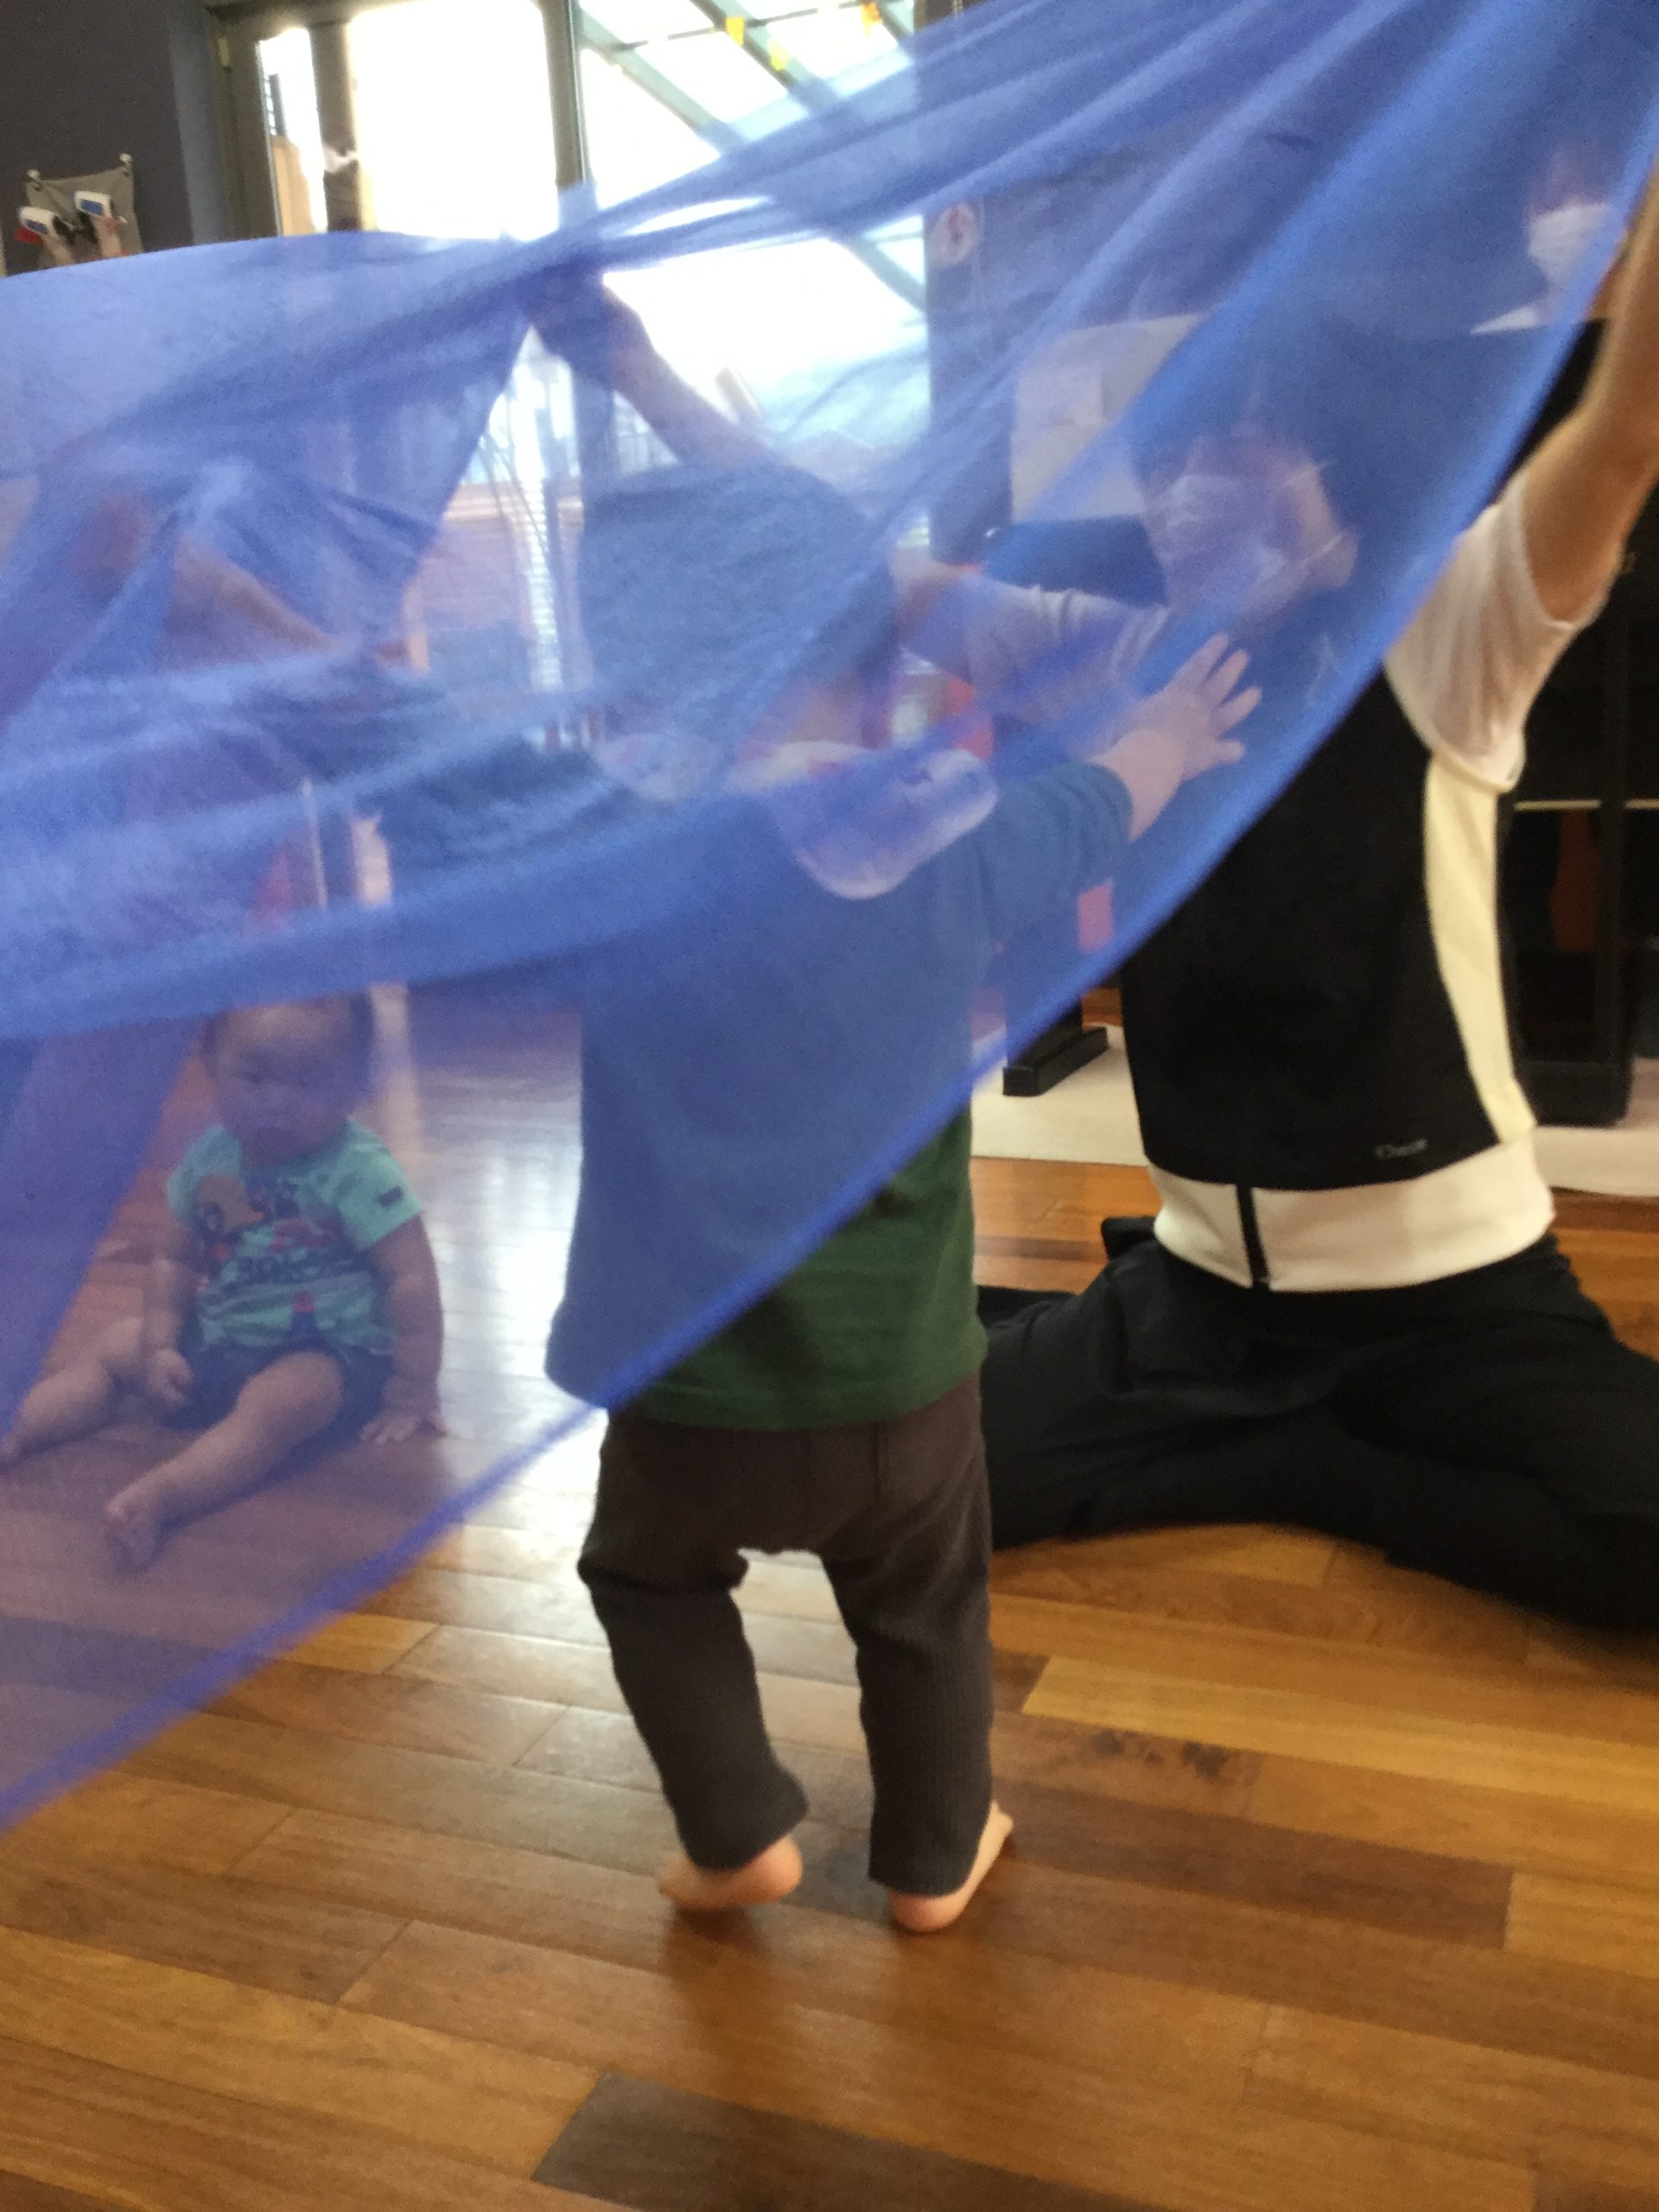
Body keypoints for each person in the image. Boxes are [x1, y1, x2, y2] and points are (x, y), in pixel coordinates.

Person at [544, 455, 1259, 1930]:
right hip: (907, 1389)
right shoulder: (942, 829)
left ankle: (738, 1831)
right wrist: (1174, 735)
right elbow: (1095, 805)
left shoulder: (607, 858)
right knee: (924, 1612)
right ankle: (936, 1857)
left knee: (649, 1582)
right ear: (879, 668)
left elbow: (400, 743)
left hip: (687, 1397)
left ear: (634, 684)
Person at [979, 170, 1659, 1631]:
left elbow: (1622, 438)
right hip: (1202, 1302)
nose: (1186, 495)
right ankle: (1261, 1435)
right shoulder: (1139, 656)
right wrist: (650, 386)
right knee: (936, 1481)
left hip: (1456, 1306)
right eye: (1166, 464)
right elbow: (904, 599)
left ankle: (1308, 1466)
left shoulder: (1446, 627)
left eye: (1230, 448)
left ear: (1324, 455)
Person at [0, 995, 444, 1568]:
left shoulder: (359, 1170)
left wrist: (414, 1385)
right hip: (222, 1337)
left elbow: (410, 1278)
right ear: (209, 1063)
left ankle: (165, 1495)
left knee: (287, 1398)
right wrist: (160, 1346)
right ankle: (18, 1429)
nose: (278, 1102)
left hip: (330, 1352)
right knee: (113, 1346)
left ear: (356, 1085)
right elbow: (175, 1263)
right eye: (255, 1077)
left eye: (309, 1082)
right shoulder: (208, 1162)